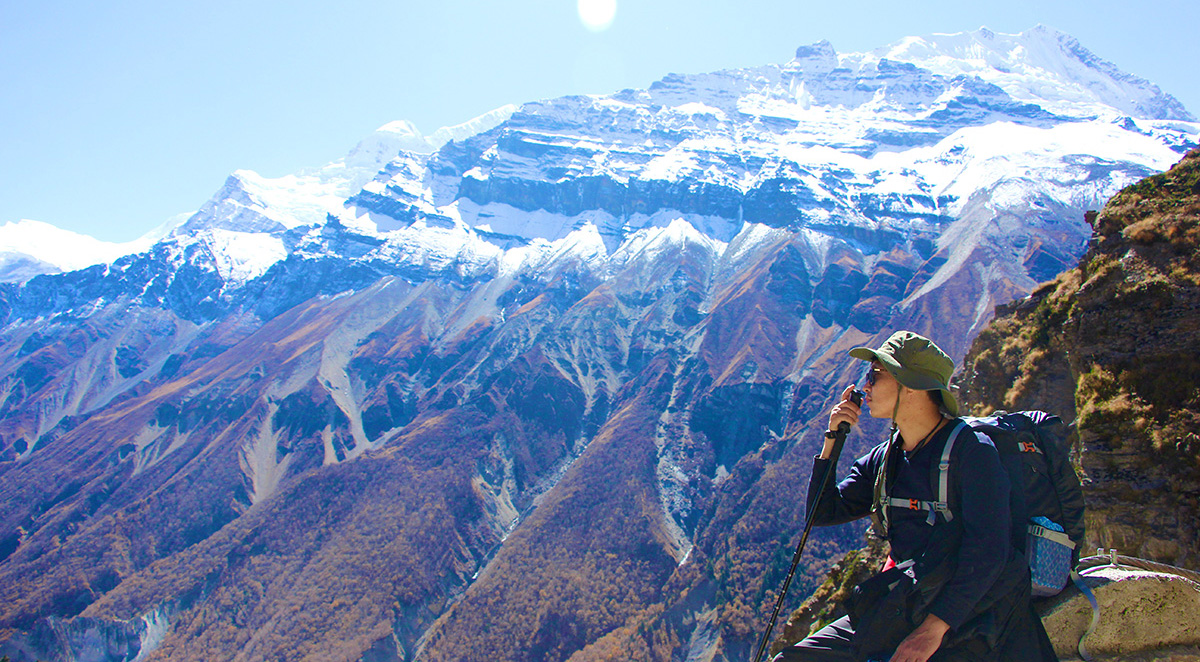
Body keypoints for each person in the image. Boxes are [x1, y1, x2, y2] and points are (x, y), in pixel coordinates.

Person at [773, 331, 1056, 662]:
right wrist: (832, 441)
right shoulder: (885, 459)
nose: (865, 387)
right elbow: (822, 513)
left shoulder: (973, 453)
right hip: (911, 600)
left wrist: (932, 631)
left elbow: (990, 550)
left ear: (910, 385)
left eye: (874, 375)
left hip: (970, 613)